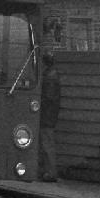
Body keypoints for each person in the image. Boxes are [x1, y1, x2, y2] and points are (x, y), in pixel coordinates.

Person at [39, 50, 61, 182]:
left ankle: (51, 173)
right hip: (49, 115)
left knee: (47, 144)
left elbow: (48, 97)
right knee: (46, 144)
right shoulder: (52, 75)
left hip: (47, 116)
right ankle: (47, 171)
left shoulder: (50, 77)